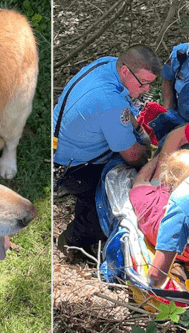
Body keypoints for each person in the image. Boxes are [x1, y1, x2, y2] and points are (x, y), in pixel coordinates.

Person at [54, 45, 162, 256]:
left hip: (65, 146)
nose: (147, 90)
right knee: (108, 209)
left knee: (91, 200)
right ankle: (70, 242)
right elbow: (132, 155)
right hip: (72, 167)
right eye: (144, 83)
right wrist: (152, 162)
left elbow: (124, 110)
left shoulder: (107, 63)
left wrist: (139, 131)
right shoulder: (109, 102)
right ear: (125, 71)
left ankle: (83, 217)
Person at [129, 150, 189, 265]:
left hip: (173, 250)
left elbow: (140, 179)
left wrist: (159, 157)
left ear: (169, 177)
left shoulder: (150, 201)